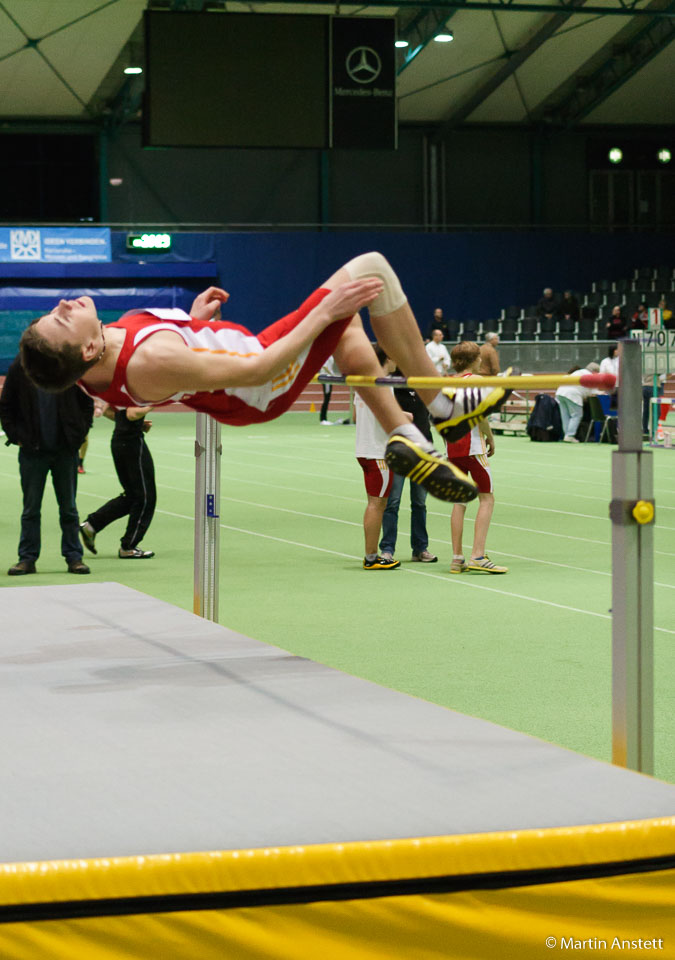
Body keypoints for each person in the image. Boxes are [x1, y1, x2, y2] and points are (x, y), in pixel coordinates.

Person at [19, 252, 511, 506]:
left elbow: (177, 362)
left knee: (351, 329)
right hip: (260, 380)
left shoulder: (97, 359)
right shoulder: (147, 360)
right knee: (370, 271)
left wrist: (194, 323)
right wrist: (323, 313)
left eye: (53, 310)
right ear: (85, 349)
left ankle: (403, 435)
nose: (62, 304)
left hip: (247, 354)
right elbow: (261, 369)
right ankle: (442, 404)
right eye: (61, 318)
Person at [0, 354, 93, 576]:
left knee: (69, 508)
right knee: (31, 509)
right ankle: (27, 559)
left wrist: (78, 435)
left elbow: (86, 403)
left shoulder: (67, 367)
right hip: (32, 452)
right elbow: (6, 405)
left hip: (65, 451)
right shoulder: (20, 368)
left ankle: (74, 558)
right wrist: (15, 435)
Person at [444, 342, 507, 575]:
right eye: (479, 357)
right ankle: (478, 555)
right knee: (486, 498)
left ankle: (457, 557)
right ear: (474, 359)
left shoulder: (447, 383)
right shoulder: (476, 381)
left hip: (452, 448)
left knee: (459, 502)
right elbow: (480, 416)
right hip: (472, 446)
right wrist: (490, 437)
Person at [79, 404, 156, 560]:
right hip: (131, 444)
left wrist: (133, 423)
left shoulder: (122, 387)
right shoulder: (138, 387)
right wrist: (153, 404)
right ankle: (129, 546)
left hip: (120, 441)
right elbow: (132, 413)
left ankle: (91, 525)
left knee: (133, 496)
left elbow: (111, 411)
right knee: (145, 497)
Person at [379, 365, 437, 565]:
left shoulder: (423, 382)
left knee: (420, 503)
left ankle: (420, 548)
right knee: (392, 502)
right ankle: (387, 549)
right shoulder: (390, 385)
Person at [355, 348, 400, 570]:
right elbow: (389, 419)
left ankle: (371, 554)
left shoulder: (362, 382)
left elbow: (356, 415)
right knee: (377, 504)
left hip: (363, 450)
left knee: (374, 503)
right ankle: (371, 556)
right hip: (377, 452)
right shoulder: (384, 383)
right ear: (388, 358)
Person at [555, 362, 600, 442]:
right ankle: (570, 436)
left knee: (565, 416)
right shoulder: (591, 376)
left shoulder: (578, 372)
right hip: (573, 394)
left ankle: (566, 435)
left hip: (560, 392)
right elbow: (594, 393)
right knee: (577, 415)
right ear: (595, 371)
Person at [599, 344, 619, 410]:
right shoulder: (605, 361)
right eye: (617, 350)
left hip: (619, 386)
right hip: (609, 387)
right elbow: (601, 374)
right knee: (611, 405)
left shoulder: (620, 360)